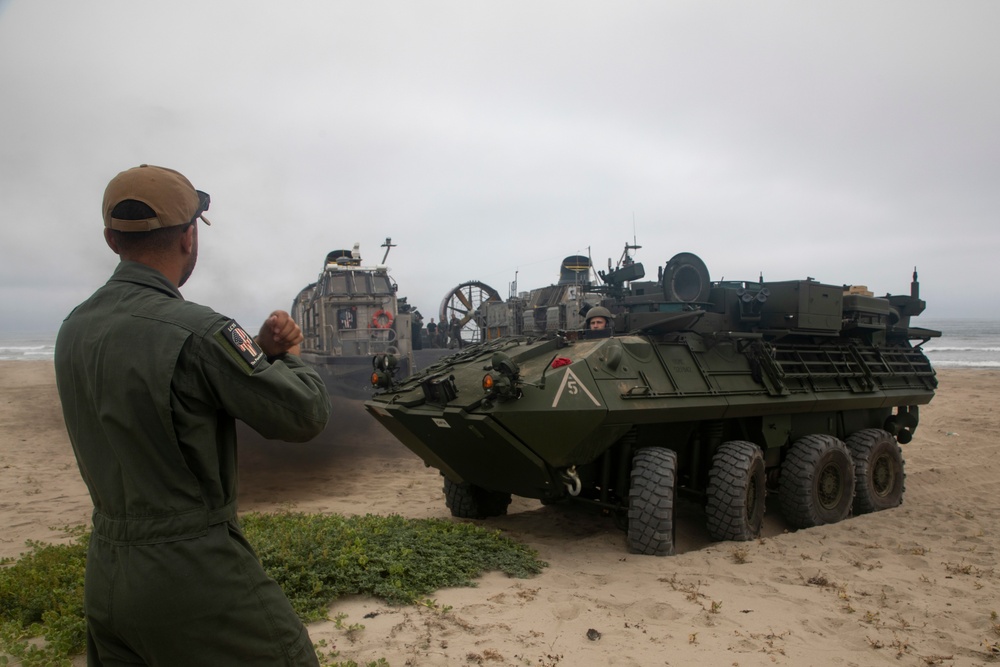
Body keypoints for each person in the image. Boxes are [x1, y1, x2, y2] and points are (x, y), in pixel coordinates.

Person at [54, 164, 331, 667]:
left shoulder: (75, 328)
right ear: (188, 238)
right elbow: (305, 414)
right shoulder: (203, 331)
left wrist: (256, 352)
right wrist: (288, 354)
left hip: (108, 575)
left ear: (112, 240)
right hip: (192, 574)